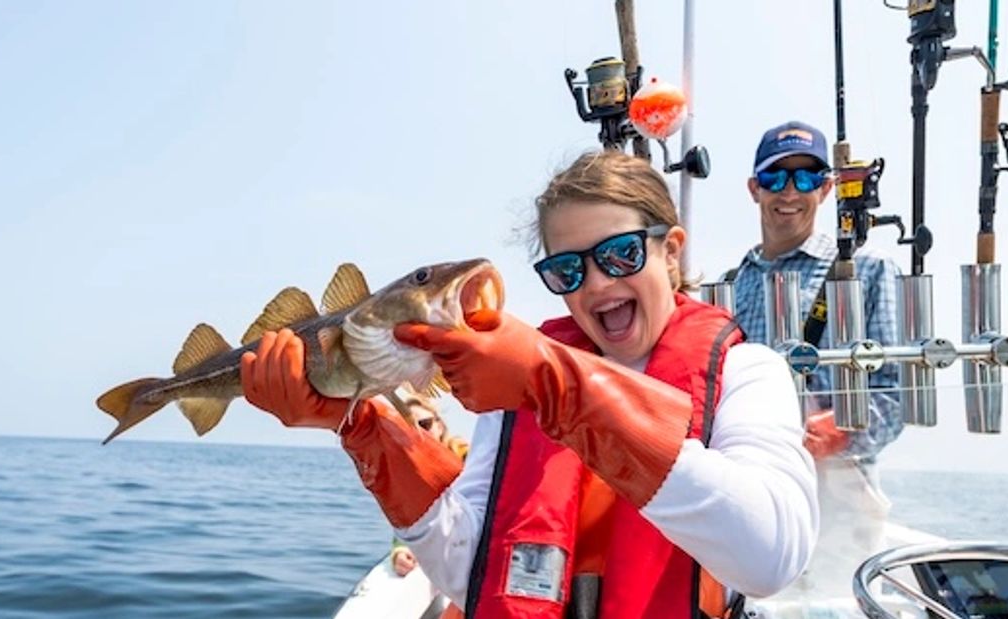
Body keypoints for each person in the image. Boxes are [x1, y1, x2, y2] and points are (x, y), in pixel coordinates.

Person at [239, 150, 818, 618]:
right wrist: (362, 425)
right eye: (567, 270)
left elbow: (770, 559)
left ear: (670, 251)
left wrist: (554, 386)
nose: (594, 285)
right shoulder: (512, 388)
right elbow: (469, 574)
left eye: (618, 255)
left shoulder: (749, 372)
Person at [726, 120, 904, 597]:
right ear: (753, 189)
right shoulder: (730, 283)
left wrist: (837, 431)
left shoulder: (869, 268)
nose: (790, 191)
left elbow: (897, 395)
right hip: (750, 492)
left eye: (806, 178)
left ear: (827, 189)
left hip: (839, 501)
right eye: (775, 177)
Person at [391, 395, 469, 579]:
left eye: (425, 424)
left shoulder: (467, 455)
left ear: (440, 426)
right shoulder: (410, 473)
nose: (419, 432)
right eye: (409, 428)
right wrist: (399, 551)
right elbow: (407, 521)